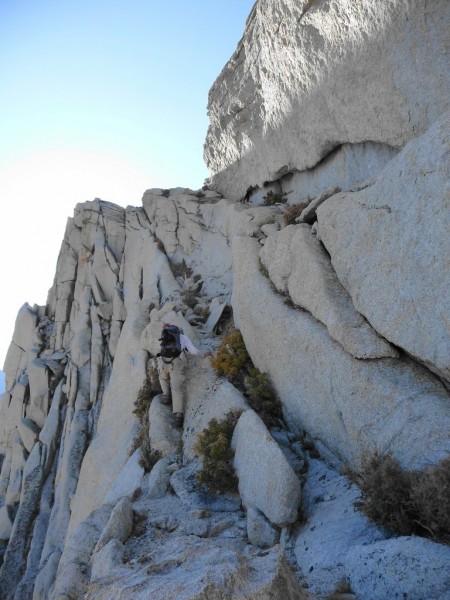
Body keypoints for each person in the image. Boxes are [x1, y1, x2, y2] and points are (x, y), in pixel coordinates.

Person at [156, 323, 210, 427]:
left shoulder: (165, 334)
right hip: (175, 362)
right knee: (176, 388)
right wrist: (203, 354)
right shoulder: (183, 337)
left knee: (162, 377)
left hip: (163, 361)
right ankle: (178, 416)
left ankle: (166, 395)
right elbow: (193, 351)